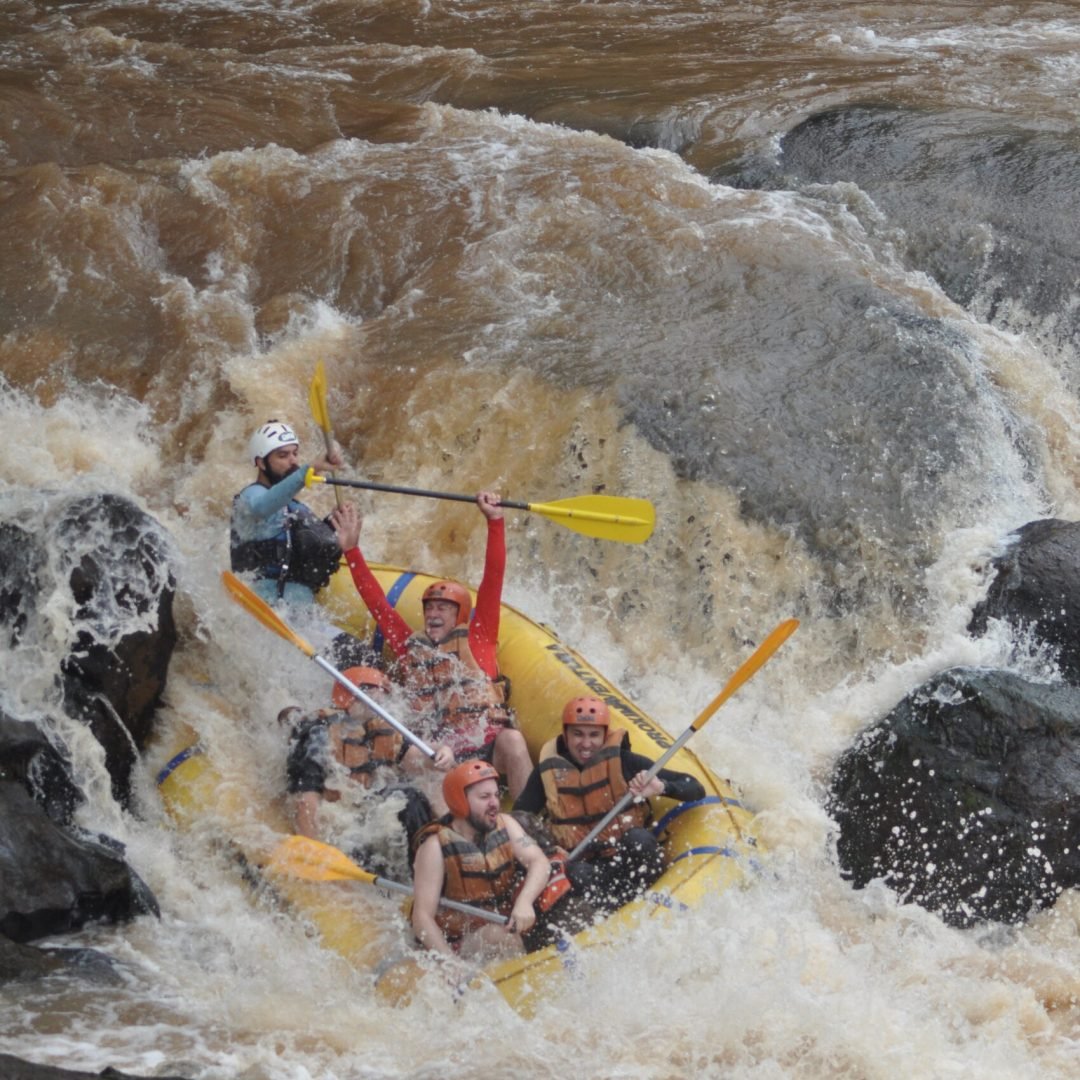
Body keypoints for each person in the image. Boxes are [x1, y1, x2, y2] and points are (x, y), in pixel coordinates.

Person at [334, 494, 533, 801]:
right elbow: (378, 607)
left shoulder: (479, 639)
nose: (434, 614)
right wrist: (352, 550)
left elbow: (493, 578)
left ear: (460, 615)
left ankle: (525, 820)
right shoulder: (411, 648)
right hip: (441, 751)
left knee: (515, 741)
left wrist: (495, 521)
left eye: (444, 608)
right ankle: (439, 830)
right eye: (430, 608)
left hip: (488, 743)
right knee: (415, 756)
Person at [513, 695, 706, 912]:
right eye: (577, 734)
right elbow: (516, 822)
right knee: (577, 873)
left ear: (605, 735)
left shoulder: (625, 761)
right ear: (565, 736)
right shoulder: (546, 773)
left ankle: (654, 905)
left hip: (627, 860)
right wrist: (547, 850)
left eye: (594, 735)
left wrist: (661, 787)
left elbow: (695, 788)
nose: (586, 744)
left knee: (639, 839)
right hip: (586, 869)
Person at [285, 665, 436, 878]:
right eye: (376, 698)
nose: (382, 706)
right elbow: (305, 801)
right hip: (336, 822)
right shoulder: (317, 730)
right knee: (358, 846)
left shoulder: (379, 728)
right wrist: (315, 859)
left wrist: (441, 754)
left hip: (364, 812)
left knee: (411, 798)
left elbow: (418, 759)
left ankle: (426, 876)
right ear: (351, 696)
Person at [410, 760, 556, 960]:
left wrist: (524, 902)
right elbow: (422, 918)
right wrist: (450, 963)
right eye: (485, 797)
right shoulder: (434, 848)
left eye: (496, 795)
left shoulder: (507, 824)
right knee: (499, 936)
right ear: (459, 801)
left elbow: (539, 862)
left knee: (559, 887)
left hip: (504, 922)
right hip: (458, 943)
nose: (495, 803)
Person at [230, 419, 348, 607]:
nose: (293, 461)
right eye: (283, 455)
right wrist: (309, 469)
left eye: (295, 454)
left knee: (352, 639)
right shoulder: (251, 497)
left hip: (305, 613)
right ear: (261, 462)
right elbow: (262, 507)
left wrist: (336, 528)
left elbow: (312, 552)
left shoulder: (294, 507)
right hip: (265, 607)